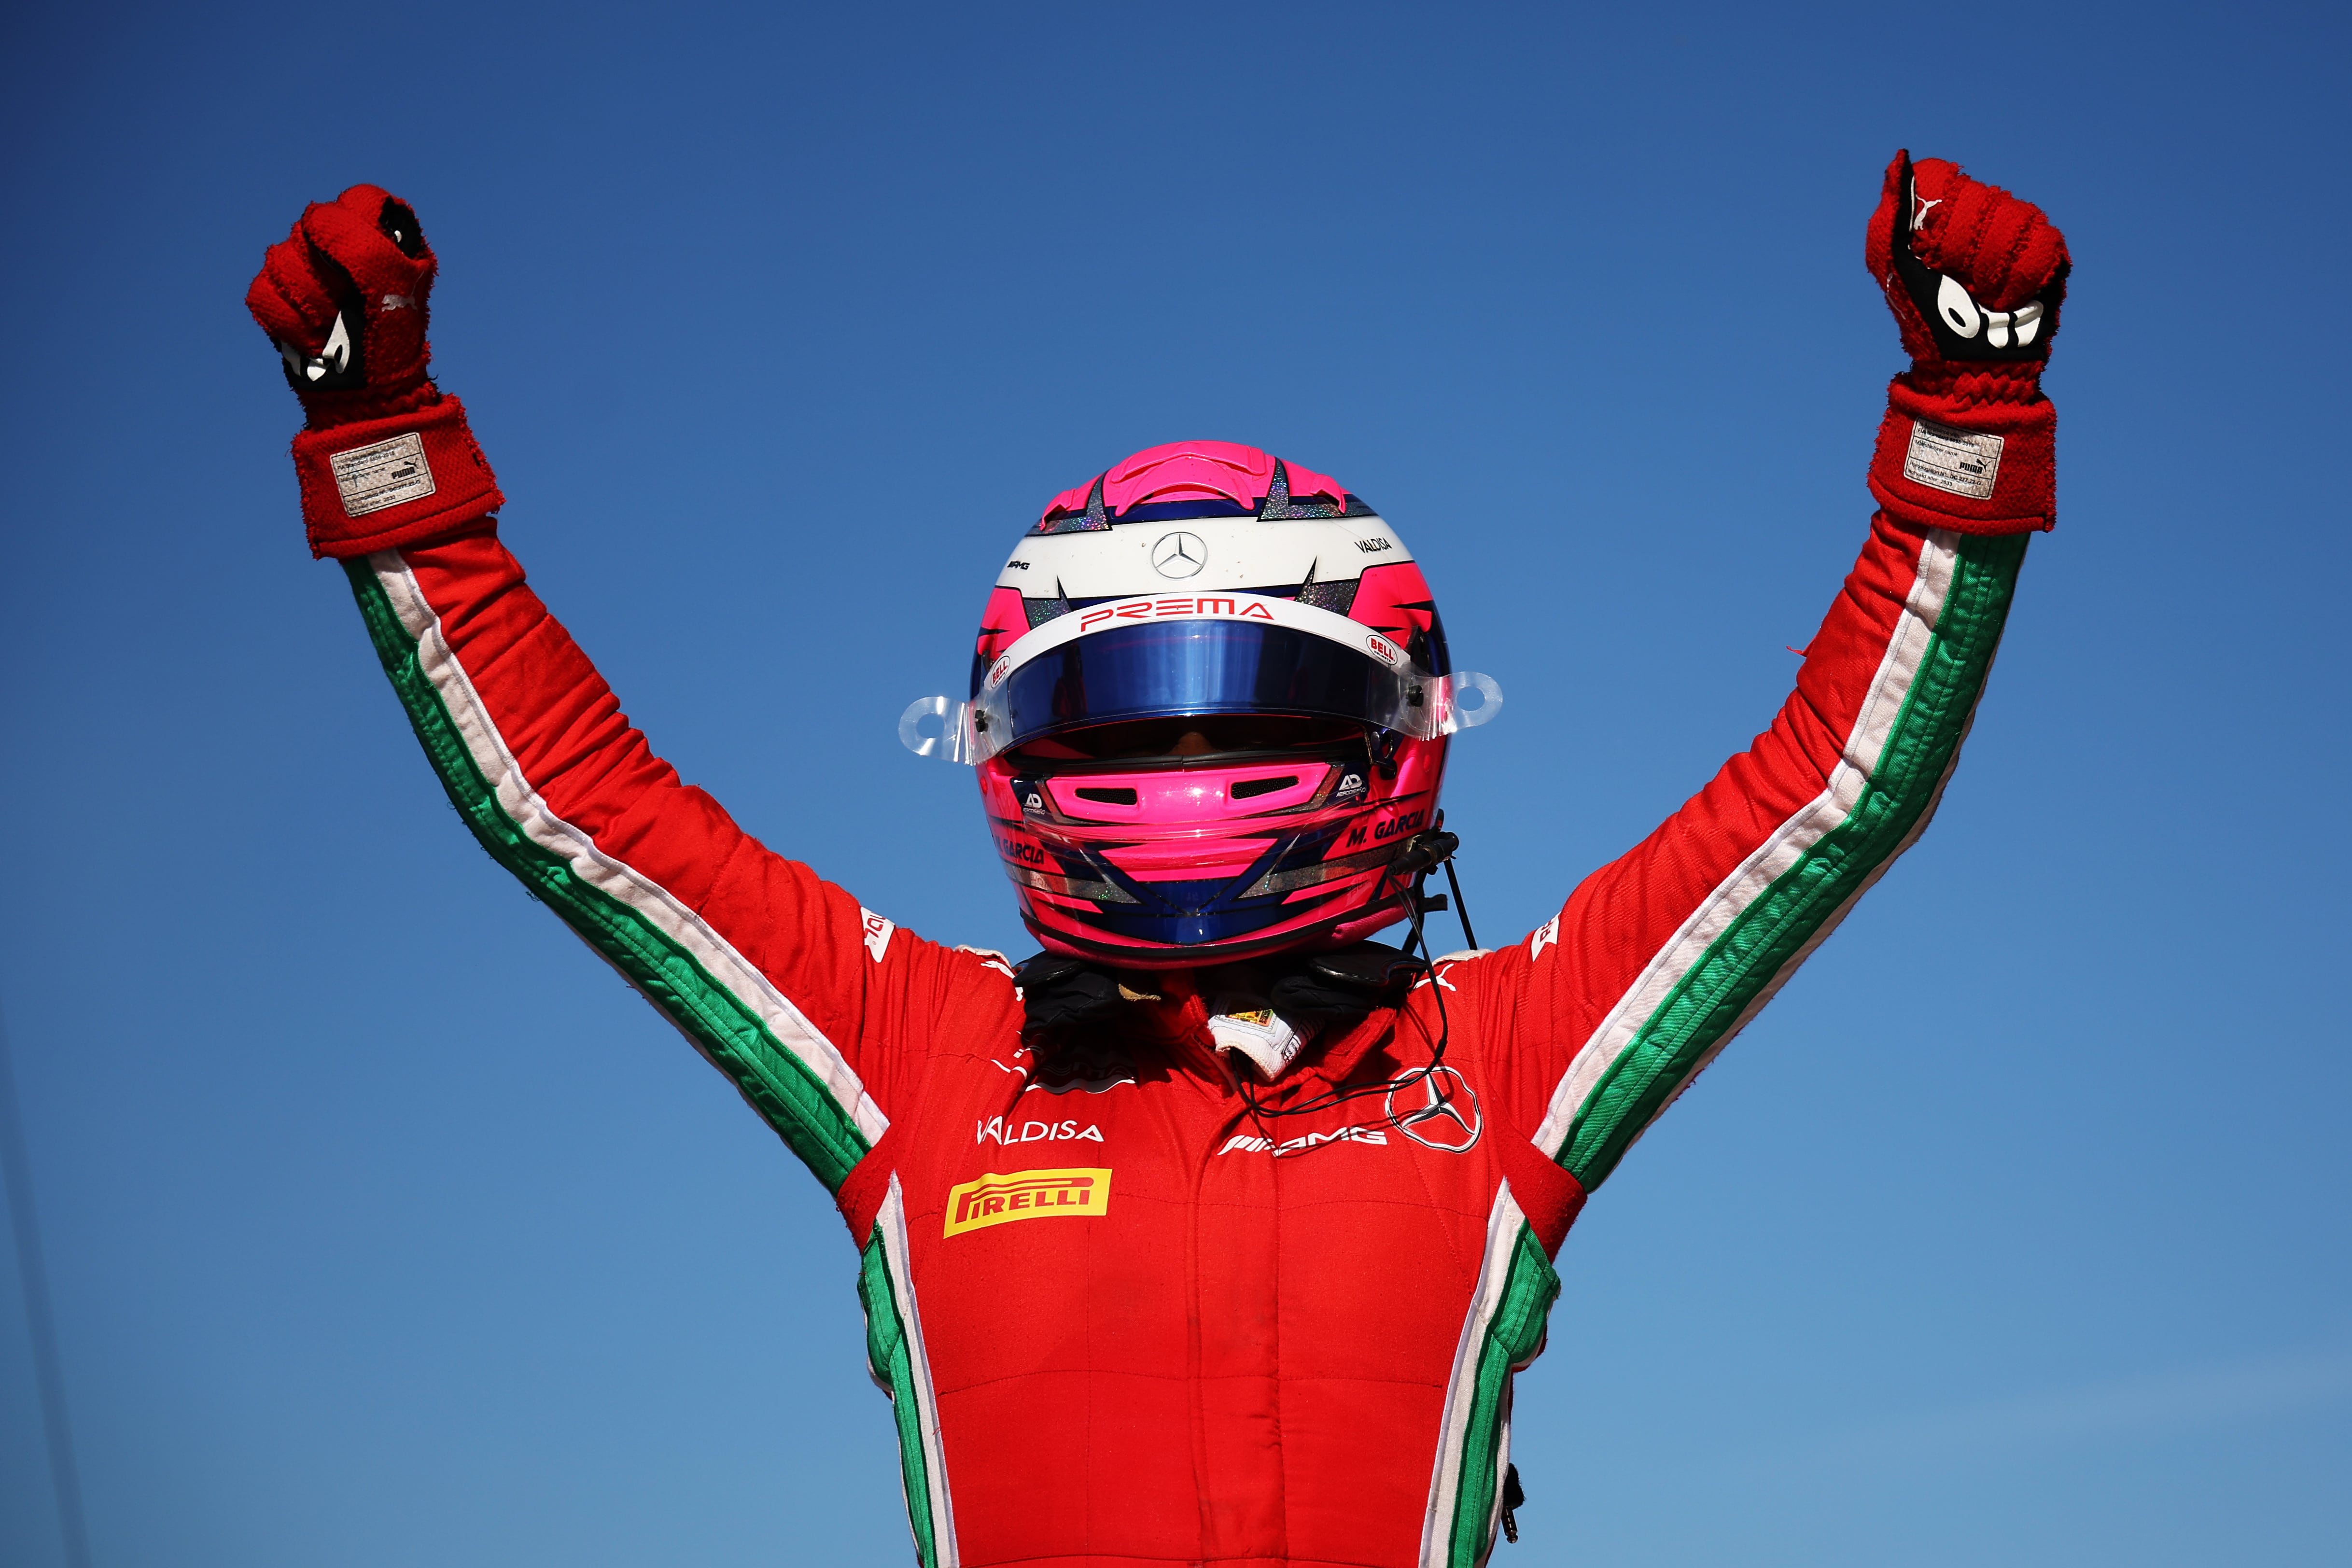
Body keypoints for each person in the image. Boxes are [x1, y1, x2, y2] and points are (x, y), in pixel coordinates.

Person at [245, 152, 2069, 1568]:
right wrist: (382, 441)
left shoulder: (1495, 1062)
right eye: (1126, 728)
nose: (1187, 771)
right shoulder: (924, 1062)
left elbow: (1832, 799)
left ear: (1399, 738)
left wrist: (1965, 424)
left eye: (1246, 716)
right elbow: (582, 817)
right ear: (1015, 747)